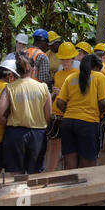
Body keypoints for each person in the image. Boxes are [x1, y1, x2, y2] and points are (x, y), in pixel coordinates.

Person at [0, 52, 52, 175]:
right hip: (38, 134)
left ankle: (19, 194)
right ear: (33, 70)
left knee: (16, 175)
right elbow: (48, 115)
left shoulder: (10, 88)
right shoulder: (43, 87)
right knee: (34, 175)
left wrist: (8, 124)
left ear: (17, 70)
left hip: (15, 134)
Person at [56, 54, 105, 169]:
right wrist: (98, 115)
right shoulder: (99, 77)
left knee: (70, 162)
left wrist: (71, 113)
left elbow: (59, 102)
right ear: (96, 67)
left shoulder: (70, 78)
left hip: (68, 122)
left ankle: (70, 185)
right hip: (88, 123)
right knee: (87, 167)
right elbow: (104, 103)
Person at [45, 42, 79, 172]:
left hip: (68, 113)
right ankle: (50, 171)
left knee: (68, 146)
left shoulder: (77, 75)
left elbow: (77, 96)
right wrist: (54, 93)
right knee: (53, 143)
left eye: (67, 58)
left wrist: (64, 94)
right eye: (62, 58)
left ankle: (67, 171)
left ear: (72, 58)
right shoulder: (58, 74)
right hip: (56, 112)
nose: (64, 61)